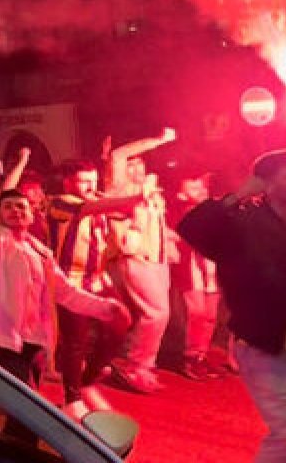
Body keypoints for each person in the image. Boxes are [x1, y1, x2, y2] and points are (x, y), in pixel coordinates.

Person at [179, 148, 286, 463]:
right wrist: (238, 195)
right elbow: (192, 227)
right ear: (267, 185)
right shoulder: (243, 224)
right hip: (264, 348)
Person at [0, 177, 130, 442]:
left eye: (21, 207)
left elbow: (67, 294)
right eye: (8, 207)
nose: (16, 210)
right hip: (4, 345)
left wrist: (106, 308)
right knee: (30, 414)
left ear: (32, 214)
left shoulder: (41, 252)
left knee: (21, 420)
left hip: (35, 344)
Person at [48, 159, 142, 419]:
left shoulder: (96, 199)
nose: (89, 186)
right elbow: (88, 209)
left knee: (122, 323)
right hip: (70, 282)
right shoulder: (58, 202)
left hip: (99, 279)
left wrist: (131, 207)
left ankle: (87, 380)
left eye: (92, 180)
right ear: (68, 182)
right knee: (74, 343)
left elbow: (121, 214)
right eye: (83, 181)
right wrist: (132, 197)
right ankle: (72, 399)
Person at [105, 129, 178, 394]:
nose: (135, 167)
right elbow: (118, 154)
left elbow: (155, 225)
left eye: (139, 162)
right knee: (157, 313)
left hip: (157, 259)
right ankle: (135, 365)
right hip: (135, 257)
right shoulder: (119, 189)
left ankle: (139, 364)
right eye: (131, 163)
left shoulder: (150, 191)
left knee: (151, 314)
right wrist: (157, 140)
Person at [167, 173, 222, 381]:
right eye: (193, 189)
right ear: (182, 192)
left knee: (210, 316)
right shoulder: (180, 210)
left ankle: (201, 354)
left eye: (201, 188)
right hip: (192, 271)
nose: (199, 193)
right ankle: (191, 357)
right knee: (197, 314)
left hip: (211, 270)